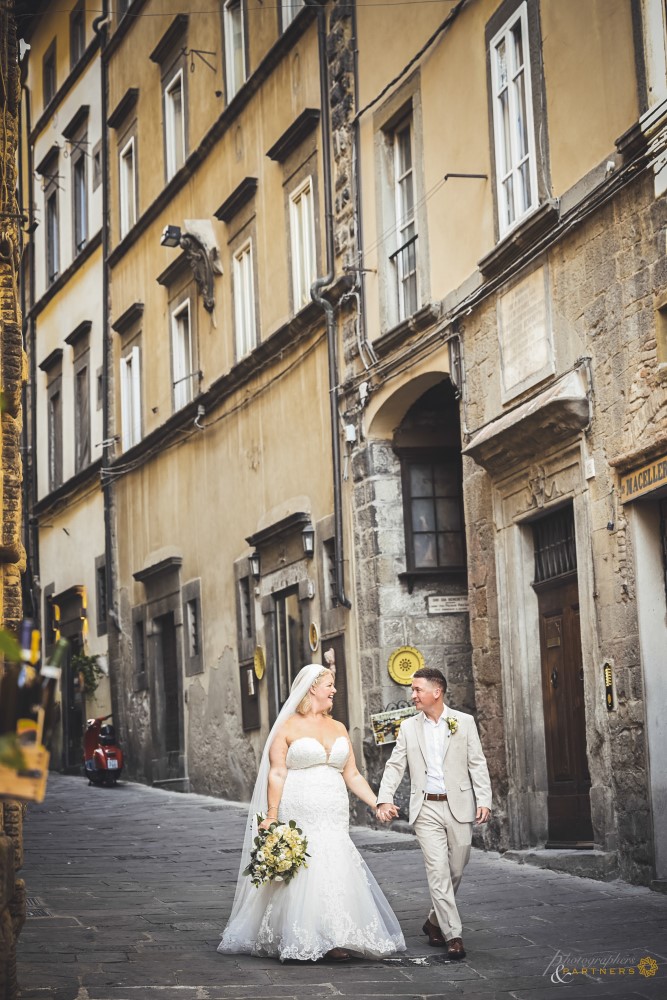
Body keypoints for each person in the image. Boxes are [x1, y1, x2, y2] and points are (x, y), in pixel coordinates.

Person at [219, 663, 405, 963]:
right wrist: (271, 814)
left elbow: (353, 774)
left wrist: (377, 803)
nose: (334, 690)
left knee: (335, 861)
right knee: (306, 865)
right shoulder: (288, 727)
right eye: (329, 684)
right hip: (300, 805)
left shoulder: (339, 727)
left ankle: (337, 933)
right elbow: (277, 773)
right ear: (312, 688)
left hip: (333, 808)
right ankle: (303, 934)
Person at [376, 667, 492, 961]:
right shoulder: (408, 727)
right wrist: (384, 798)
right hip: (425, 807)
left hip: (459, 806)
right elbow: (395, 765)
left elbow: (476, 763)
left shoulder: (463, 722)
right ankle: (454, 935)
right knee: (438, 871)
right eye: (412, 690)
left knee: (455, 869)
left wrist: (484, 799)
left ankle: (433, 921)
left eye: (417, 690)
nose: (412, 695)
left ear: (436, 692)